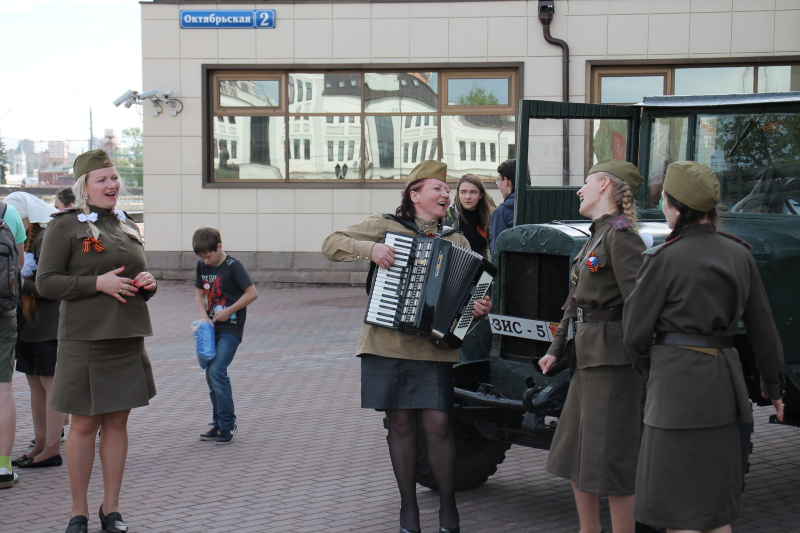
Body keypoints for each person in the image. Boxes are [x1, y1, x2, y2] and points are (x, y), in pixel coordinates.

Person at [321, 160, 492, 533]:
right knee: (399, 425)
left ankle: (449, 510)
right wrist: (371, 250)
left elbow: (472, 296)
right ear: (415, 194)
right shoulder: (386, 226)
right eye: (438, 188)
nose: (446, 194)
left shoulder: (455, 238)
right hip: (386, 343)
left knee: (439, 424)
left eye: (448, 189)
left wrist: (477, 309)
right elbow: (330, 244)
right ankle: (408, 511)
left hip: (434, 349)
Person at [622, 161, 785, 533]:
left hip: (675, 393)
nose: (662, 206)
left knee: (678, 513)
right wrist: (773, 387)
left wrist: (655, 367)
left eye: (664, 200)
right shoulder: (740, 254)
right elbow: (763, 328)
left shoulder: (663, 259)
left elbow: (633, 334)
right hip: (725, 390)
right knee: (713, 512)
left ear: (677, 208)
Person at [36, 149, 158, 533]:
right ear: (84, 187)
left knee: (118, 424)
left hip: (125, 336)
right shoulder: (65, 227)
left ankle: (112, 509)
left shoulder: (126, 224)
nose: (111, 185)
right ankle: (78, 511)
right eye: (102, 179)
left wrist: (147, 285)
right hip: (85, 339)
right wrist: (96, 283)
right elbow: (46, 282)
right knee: (84, 425)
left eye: (114, 177)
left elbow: (131, 273)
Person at [538, 160, 647, 533]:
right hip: (586, 358)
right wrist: (555, 347)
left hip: (614, 361)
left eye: (586, 182)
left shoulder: (622, 236)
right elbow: (575, 299)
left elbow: (639, 304)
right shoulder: (596, 234)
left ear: (605, 186)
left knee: (613, 460)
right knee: (574, 452)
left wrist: (638, 355)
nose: (579, 190)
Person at [4, 193, 63, 469]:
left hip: (47, 325)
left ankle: (52, 447)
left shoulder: (45, 238)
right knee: (35, 387)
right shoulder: (27, 238)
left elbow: (48, 287)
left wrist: (17, 281)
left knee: (49, 388)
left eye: (20, 218)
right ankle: (39, 445)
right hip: (28, 324)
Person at [193, 227, 258, 445]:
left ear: (219, 247)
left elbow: (252, 293)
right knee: (210, 375)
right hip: (211, 328)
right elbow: (200, 293)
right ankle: (218, 423)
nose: (206, 261)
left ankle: (228, 424)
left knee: (217, 370)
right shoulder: (202, 265)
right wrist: (203, 316)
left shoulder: (234, 266)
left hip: (231, 328)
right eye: (202, 257)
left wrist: (228, 311)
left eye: (209, 255)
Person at [0, 199, 27, 489]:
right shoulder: (8, 213)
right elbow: (18, 265)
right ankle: (3, 467)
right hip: (3, 311)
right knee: (3, 388)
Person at [444, 173, 495, 260]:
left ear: (481, 195)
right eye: (463, 192)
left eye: (473, 192)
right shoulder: (448, 217)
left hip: (481, 270)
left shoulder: (489, 217)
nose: (467, 197)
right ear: (458, 194)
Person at [489, 159, 515, 260]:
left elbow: (497, 251)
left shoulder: (502, 212)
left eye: (498, 180)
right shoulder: (536, 206)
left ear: (506, 181)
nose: (498, 185)